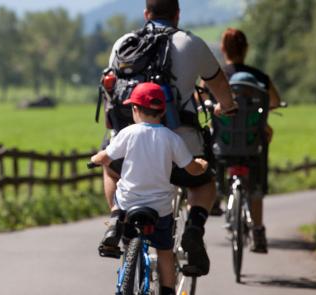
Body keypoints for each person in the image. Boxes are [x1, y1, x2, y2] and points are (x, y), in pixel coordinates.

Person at [99, 0, 237, 277]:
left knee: (110, 169)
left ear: (146, 14)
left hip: (129, 150)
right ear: (177, 15)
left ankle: (116, 217)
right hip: (179, 142)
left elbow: (111, 96)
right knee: (203, 180)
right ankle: (194, 230)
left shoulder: (123, 43)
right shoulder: (191, 43)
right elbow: (219, 85)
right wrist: (228, 107)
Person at [91, 82, 209, 295]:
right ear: (163, 110)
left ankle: (115, 224)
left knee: (121, 198)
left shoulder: (127, 133)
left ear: (134, 109)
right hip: (160, 208)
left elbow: (106, 157)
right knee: (164, 251)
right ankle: (167, 289)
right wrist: (201, 165)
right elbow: (191, 169)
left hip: (129, 202)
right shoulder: (172, 138)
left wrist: (95, 158)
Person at [217, 27, 283, 254]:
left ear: (222, 48)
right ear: (246, 49)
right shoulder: (260, 77)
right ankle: (258, 231)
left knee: (209, 137)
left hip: (223, 145)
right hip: (252, 144)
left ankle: (215, 194)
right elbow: (275, 101)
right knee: (255, 175)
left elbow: (201, 101)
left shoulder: (217, 76)